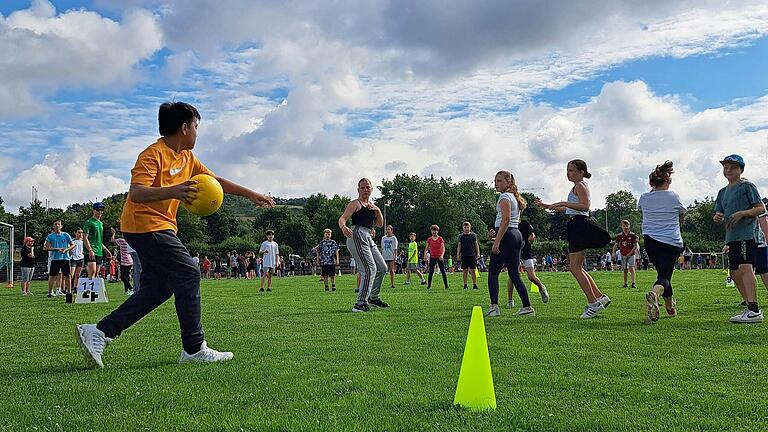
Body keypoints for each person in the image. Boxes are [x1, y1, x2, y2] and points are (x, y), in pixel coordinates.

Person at [75, 101, 275, 369]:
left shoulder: (187, 159)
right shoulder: (152, 154)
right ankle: (194, 348)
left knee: (159, 288)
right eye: (195, 127)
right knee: (190, 272)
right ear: (184, 128)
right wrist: (174, 190)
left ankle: (99, 332)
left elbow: (215, 182)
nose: (196, 133)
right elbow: (137, 192)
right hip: (143, 225)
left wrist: (251, 194)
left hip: (162, 227)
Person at [536, 159, 611, 319]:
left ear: (581, 172)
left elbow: (585, 207)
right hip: (576, 225)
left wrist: (564, 202)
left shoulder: (581, 186)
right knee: (578, 267)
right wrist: (548, 206)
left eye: (571, 170)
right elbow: (570, 209)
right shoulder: (577, 187)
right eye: (567, 170)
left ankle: (593, 303)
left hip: (579, 226)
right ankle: (599, 297)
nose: (568, 173)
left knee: (575, 268)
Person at [713, 154, 765, 323]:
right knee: (734, 273)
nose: (728, 170)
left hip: (747, 234)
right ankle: (748, 307)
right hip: (732, 237)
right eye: (725, 167)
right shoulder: (722, 192)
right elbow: (719, 212)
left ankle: (754, 310)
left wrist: (744, 213)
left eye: (733, 167)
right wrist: (718, 217)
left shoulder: (747, 186)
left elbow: (760, 208)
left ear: (741, 170)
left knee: (745, 267)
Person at [639, 161, 685, 322]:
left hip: (651, 241)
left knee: (664, 274)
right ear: (667, 181)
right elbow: (682, 216)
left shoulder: (644, 198)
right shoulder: (673, 197)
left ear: (651, 182)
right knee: (664, 276)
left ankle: (670, 308)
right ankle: (655, 293)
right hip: (671, 242)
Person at [486, 171, 534, 317]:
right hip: (516, 235)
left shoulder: (505, 197)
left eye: (499, 181)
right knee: (514, 274)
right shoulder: (514, 197)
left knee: (493, 272)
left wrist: (497, 241)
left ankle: (494, 307)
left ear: (509, 182)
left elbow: (505, 220)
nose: (496, 183)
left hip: (507, 235)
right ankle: (527, 307)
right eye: (495, 181)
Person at [338, 178, 389, 312]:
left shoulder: (372, 206)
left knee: (382, 267)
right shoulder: (356, 203)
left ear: (372, 189)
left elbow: (379, 224)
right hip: (357, 235)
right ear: (358, 190)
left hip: (368, 237)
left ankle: (373, 297)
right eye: (363, 188)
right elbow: (342, 218)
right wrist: (343, 227)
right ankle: (360, 303)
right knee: (369, 269)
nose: (366, 190)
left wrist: (378, 211)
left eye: (368, 187)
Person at [516, 218, 549, 303]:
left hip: (526, 253)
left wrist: (532, 237)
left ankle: (541, 288)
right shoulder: (509, 223)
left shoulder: (525, 224)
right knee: (513, 276)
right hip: (515, 253)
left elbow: (532, 235)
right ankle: (510, 300)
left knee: (531, 277)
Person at [44, 221, 75, 301]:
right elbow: (45, 248)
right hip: (55, 258)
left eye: (58, 224)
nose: (57, 226)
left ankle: (69, 292)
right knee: (52, 275)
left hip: (65, 258)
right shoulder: (50, 236)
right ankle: (50, 292)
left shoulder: (65, 235)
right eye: (55, 224)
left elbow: (73, 245)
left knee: (67, 275)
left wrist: (66, 250)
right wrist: (56, 249)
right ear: (53, 227)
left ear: (61, 226)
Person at [83, 202, 111, 278]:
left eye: (101, 210)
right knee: (92, 271)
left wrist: (105, 249)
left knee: (96, 273)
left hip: (99, 251)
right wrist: (90, 250)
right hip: (91, 250)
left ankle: (93, 290)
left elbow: (99, 240)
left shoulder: (101, 223)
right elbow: (84, 237)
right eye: (98, 210)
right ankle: (88, 290)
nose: (100, 212)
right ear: (93, 210)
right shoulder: (89, 222)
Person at [612, 220, 638, 288]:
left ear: (629, 226)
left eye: (627, 226)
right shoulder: (620, 236)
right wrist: (613, 252)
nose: (626, 227)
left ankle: (633, 283)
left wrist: (630, 253)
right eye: (624, 226)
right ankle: (625, 283)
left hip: (631, 254)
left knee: (631, 268)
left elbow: (635, 246)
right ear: (621, 227)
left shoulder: (633, 235)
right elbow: (615, 245)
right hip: (623, 254)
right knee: (625, 269)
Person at [110, 228, 134, 295]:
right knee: (125, 276)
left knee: (124, 277)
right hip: (130, 261)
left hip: (124, 262)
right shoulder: (130, 241)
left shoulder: (121, 241)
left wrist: (113, 233)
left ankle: (130, 289)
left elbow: (112, 240)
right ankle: (127, 290)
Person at [457, 221, 480, 290]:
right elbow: (459, 246)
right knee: (465, 271)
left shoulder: (473, 235)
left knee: (473, 270)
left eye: (467, 227)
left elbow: (476, 244)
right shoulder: (461, 236)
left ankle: (474, 284)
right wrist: (458, 254)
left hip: (472, 255)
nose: (466, 228)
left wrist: (478, 253)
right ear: (463, 228)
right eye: (465, 227)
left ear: (470, 228)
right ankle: (465, 284)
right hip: (464, 255)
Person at [425, 225, 449, 290]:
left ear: (437, 231)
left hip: (439, 257)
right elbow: (426, 248)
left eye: (435, 230)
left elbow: (443, 248)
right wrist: (425, 256)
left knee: (443, 271)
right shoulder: (429, 239)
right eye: (433, 230)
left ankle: (446, 285)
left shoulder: (440, 239)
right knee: (431, 272)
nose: (434, 232)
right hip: (432, 257)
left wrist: (442, 255)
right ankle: (429, 286)